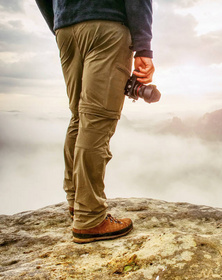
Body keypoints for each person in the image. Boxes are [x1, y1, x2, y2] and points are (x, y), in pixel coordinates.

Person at [35, 0, 155, 243]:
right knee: (97, 120)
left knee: (79, 116)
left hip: (67, 29)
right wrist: (144, 48)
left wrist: (61, 24)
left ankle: (76, 201)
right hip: (106, 24)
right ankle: (90, 217)